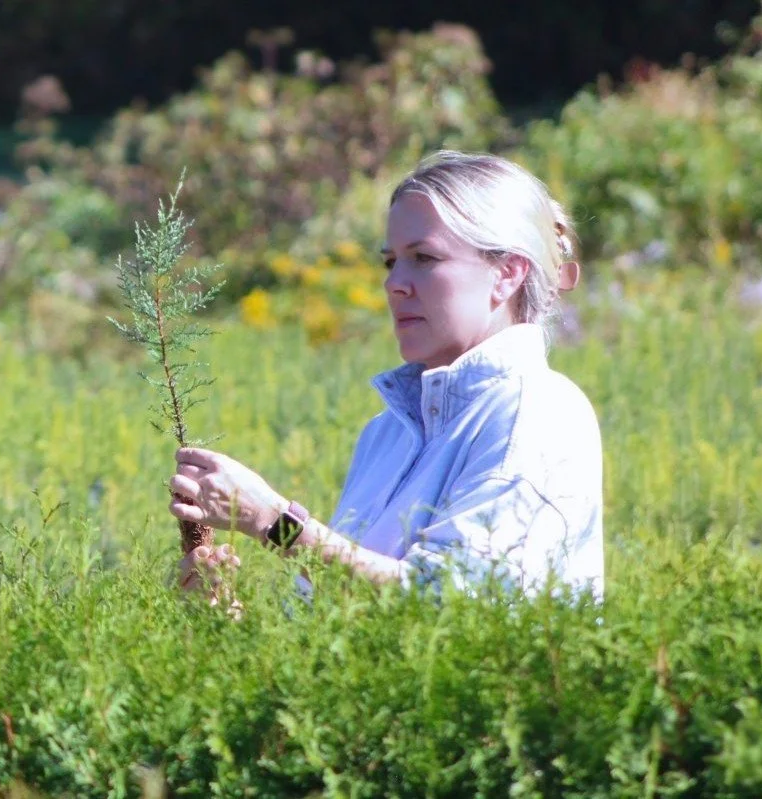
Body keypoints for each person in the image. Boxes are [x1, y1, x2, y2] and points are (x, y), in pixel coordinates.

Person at [168, 150, 604, 607]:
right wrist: (222, 613)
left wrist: (274, 523)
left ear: (507, 274)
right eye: (391, 261)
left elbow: (455, 610)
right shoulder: (387, 434)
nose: (395, 283)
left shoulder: (534, 414)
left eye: (424, 257)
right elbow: (343, 626)